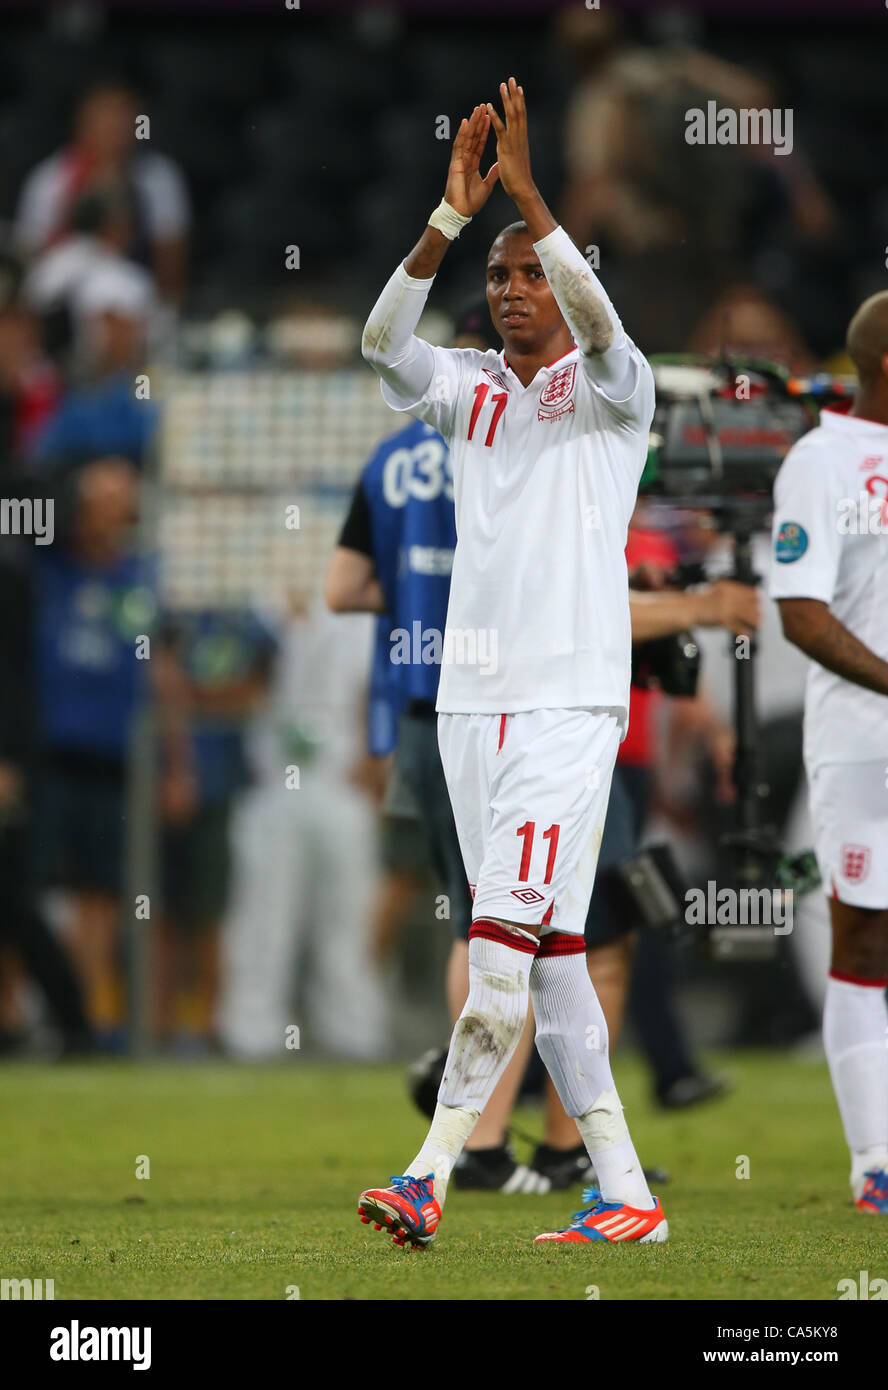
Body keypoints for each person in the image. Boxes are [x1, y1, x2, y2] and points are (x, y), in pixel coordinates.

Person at [356, 82, 666, 1248]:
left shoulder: (608, 396)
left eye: (529, 271)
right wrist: (447, 222)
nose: (510, 287)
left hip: (566, 711)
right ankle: (628, 1193)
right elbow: (382, 343)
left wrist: (533, 200)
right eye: (499, 275)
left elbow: (602, 325)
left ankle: (429, 1171)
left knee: (498, 941)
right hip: (469, 709)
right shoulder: (472, 393)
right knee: (551, 960)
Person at [770, 290, 888, 1215]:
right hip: (864, 742)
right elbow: (800, 611)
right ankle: (874, 1164)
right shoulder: (821, 461)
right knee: (864, 936)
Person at [15, 79, 189, 306]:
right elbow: (29, 258)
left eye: (124, 117)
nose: (116, 127)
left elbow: (171, 264)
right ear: (83, 123)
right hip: (64, 299)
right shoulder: (50, 179)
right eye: (106, 118)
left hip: (137, 299)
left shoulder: (157, 176)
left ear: (139, 123)